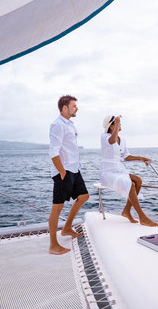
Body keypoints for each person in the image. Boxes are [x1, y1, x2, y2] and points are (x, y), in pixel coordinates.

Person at [48, 95, 89, 255]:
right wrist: (62, 172)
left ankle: (66, 228)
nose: (76, 108)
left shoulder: (70, 125)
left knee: (84, 196)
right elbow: (53, 151)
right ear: (64, 108)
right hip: (63, 172)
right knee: (57, 207)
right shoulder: (58, 125)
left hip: (74, 169)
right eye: (74, 106)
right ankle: (53, 245)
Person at [100, 115, 158, 227]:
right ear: (111, 126)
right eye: (117, 124)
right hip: (107, 172)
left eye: (119, 124)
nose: (120, 125)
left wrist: (141, 158)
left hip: (118, 170)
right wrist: (116, 123)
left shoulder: (122, 140)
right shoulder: (104, 137)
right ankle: (142, 216)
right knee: (130, 183)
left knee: (138, 180)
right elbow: (111, 141)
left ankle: (126, 211)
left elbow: (126, 156)